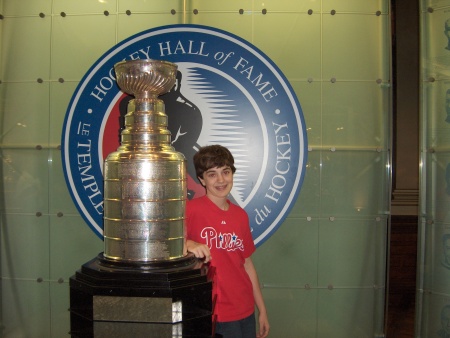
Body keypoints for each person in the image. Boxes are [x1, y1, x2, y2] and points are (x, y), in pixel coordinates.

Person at [185, 145, 270, 338]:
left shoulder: (240, 215)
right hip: (214, 312)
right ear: (201, 180)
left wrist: (262, 310)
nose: (221, 179)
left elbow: (247, 265)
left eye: (225, 172)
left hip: (246, 309)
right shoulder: (191, 210)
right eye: (212, 174)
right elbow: (164, 246)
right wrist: (188, 244)